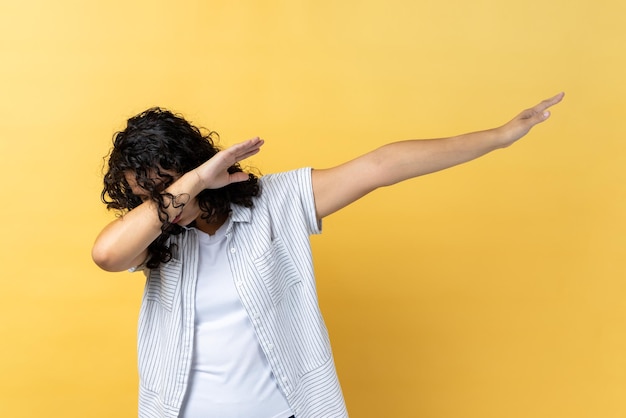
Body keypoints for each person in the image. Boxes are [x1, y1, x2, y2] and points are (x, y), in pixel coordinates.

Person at [92, 92, 564, 418]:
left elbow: (381, 165)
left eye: (167, 187)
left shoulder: (275, 203)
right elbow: (106, 255)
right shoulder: (155, 236)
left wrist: (500, 135)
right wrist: (190, 184)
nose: (163, 208)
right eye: (147, 198)